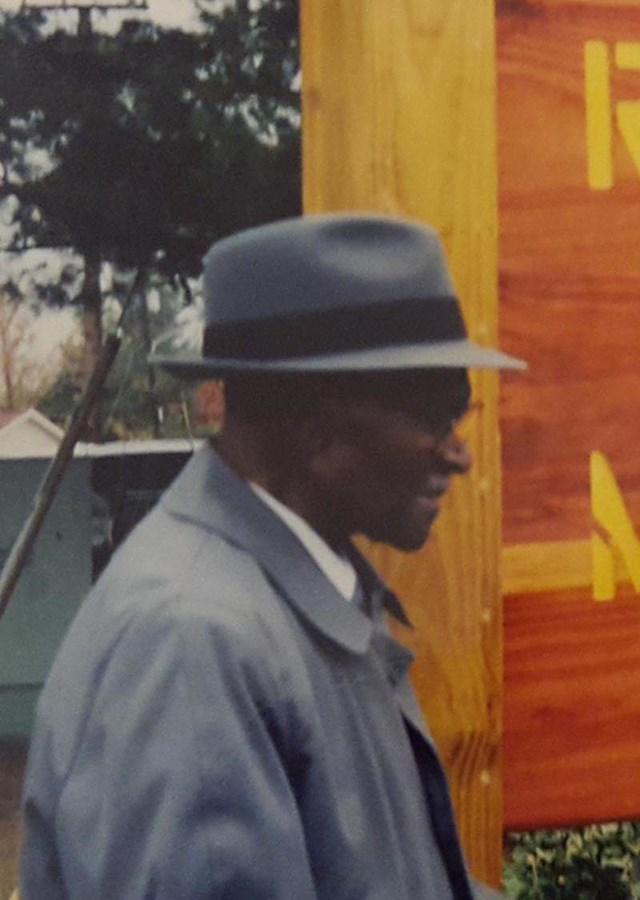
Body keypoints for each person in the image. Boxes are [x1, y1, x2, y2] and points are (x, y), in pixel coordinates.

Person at [19, 213, 525, 899]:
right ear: (314, 422)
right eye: (435, 419)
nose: (459, 456)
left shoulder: (296, 595)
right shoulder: (193, 645)